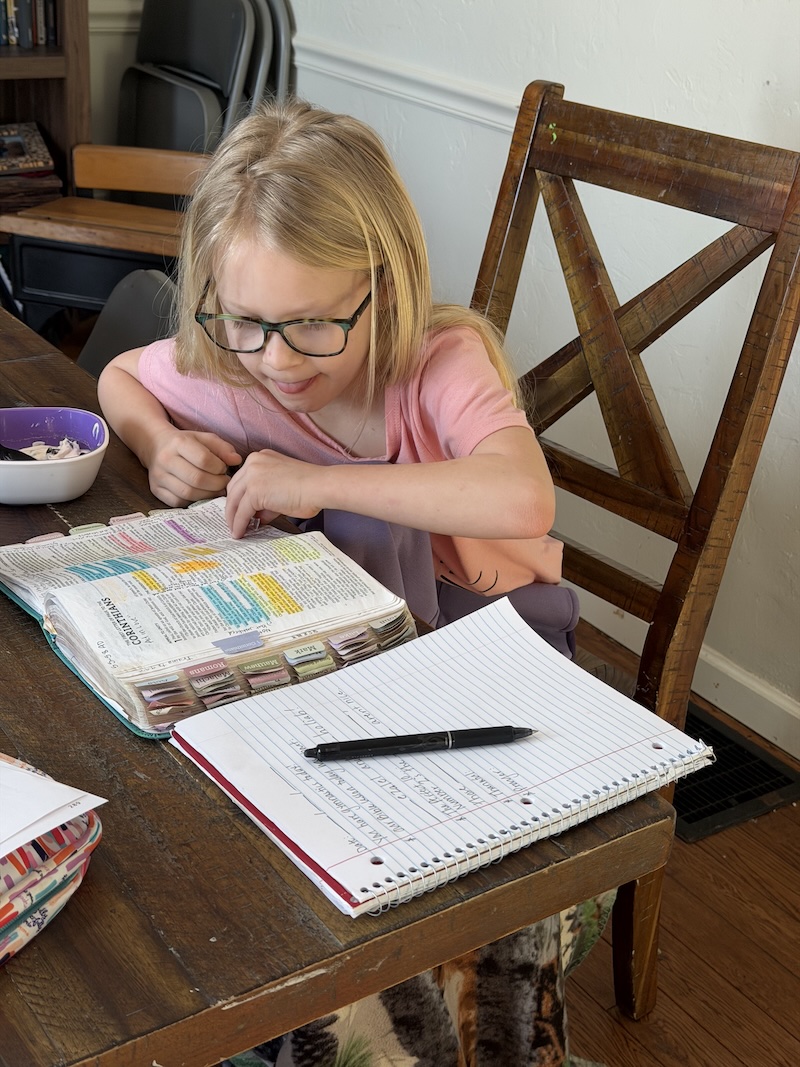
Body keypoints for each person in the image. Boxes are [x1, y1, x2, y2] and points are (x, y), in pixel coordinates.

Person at [98, 99, 607, 1066]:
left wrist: (315, 480)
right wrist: (160, 441)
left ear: (385, 284)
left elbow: (522, 493)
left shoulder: (438, 361)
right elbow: (123, 373)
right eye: (246, 321)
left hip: (493, 671)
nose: (278, 361)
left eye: (314, 327)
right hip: (346, 682)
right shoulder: (237, 360)